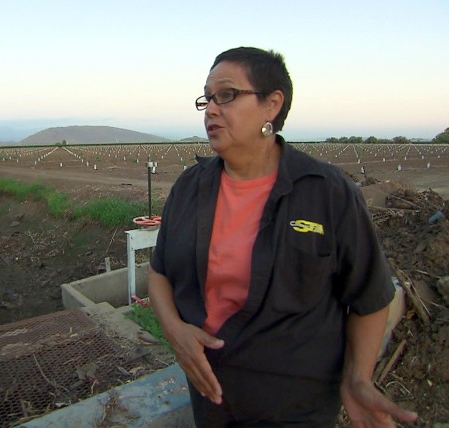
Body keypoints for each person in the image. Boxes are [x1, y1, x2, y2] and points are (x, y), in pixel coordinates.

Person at [148, 47, 419, 427]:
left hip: (295, 408)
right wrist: (175, 332)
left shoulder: (328, 193)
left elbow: (370, 296)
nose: (210, 109)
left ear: (272, 104)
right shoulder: (190, 187)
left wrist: (358, 378)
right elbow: (159, 270)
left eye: (225, 95)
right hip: (210, 400)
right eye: (206, 98)